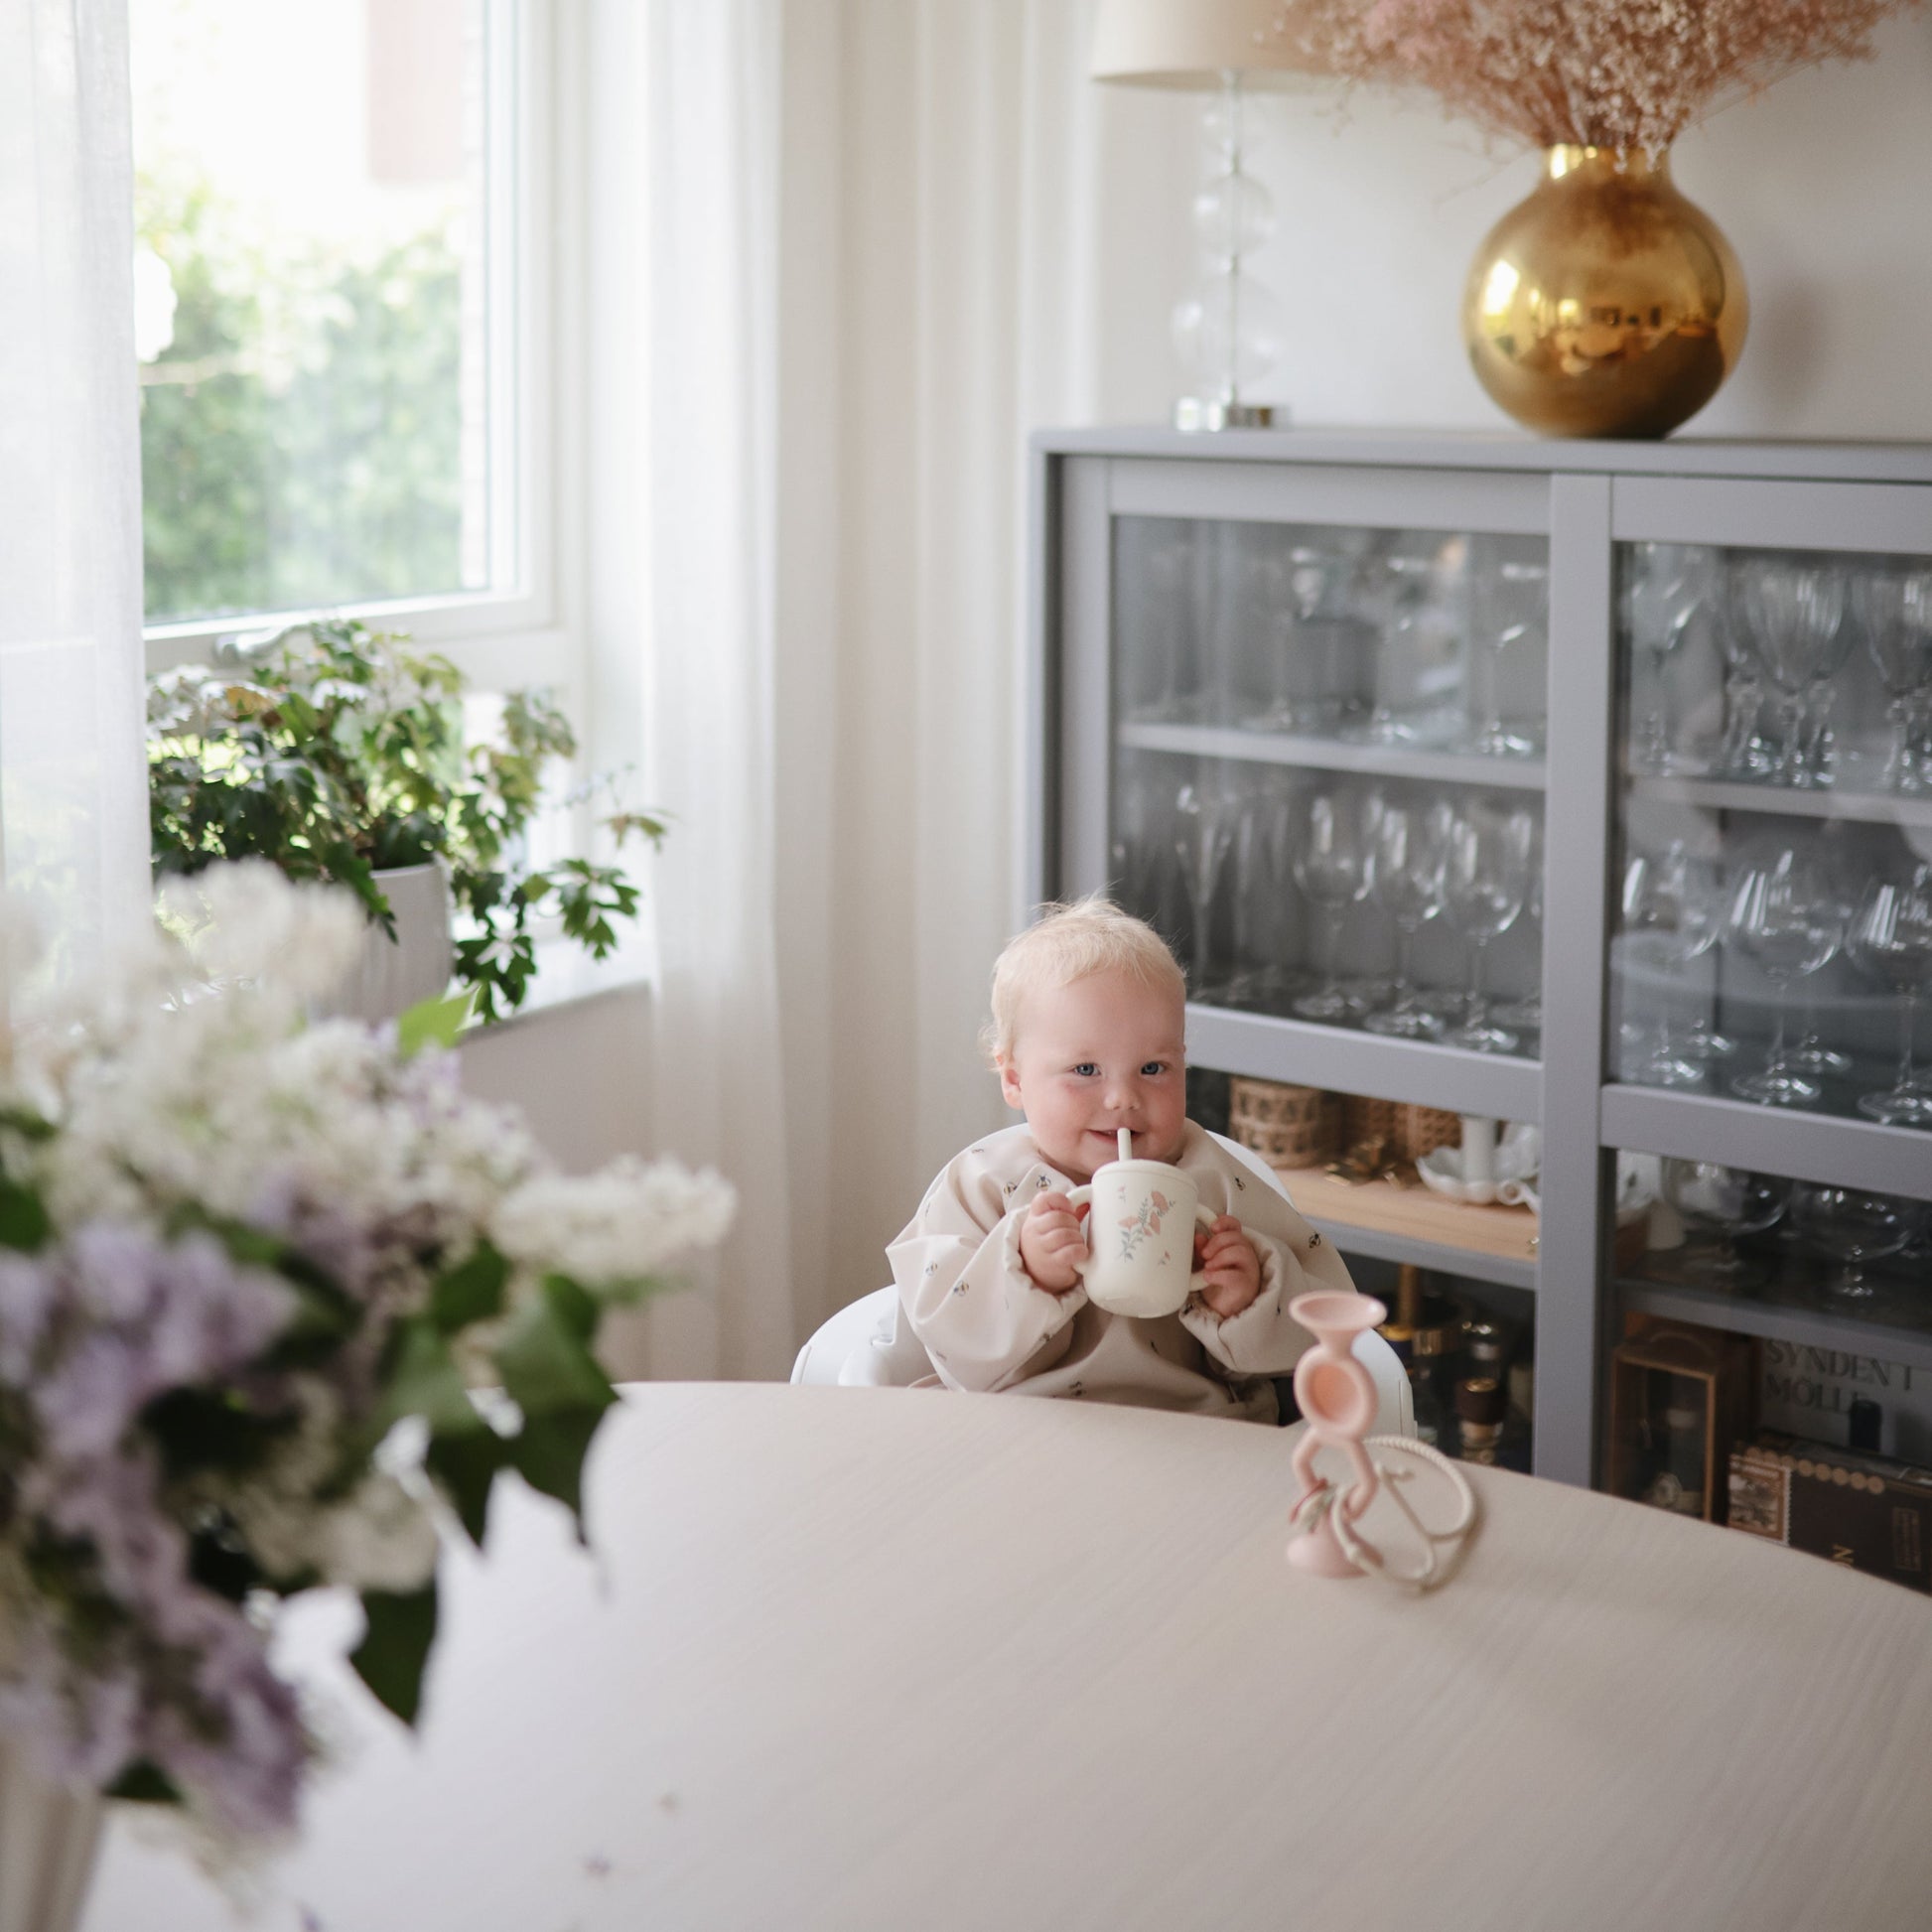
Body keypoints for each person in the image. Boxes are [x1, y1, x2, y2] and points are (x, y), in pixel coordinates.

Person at [888, 897, 1360, 1423]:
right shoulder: (982, 1182)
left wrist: (1247, 1298)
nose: (1122, 1098)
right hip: (1024, 1427)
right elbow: (949, 1346)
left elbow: (1324, 1321)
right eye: (1086, 1070)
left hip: (1197, 1430)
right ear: (1015, 1078)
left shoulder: (1216, 1179)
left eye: (1153, 1068)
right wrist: (1029, 1273)